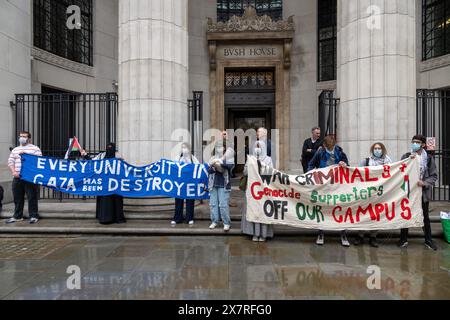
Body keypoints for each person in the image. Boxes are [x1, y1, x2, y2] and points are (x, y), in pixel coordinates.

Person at [307, 135, 350, 247]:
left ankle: (343, 233)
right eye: (329, 148)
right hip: (324, 186)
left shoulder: (340, 152)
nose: (331, 150)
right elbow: (310, 165)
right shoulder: (320, 153)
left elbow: (348, 167)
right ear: (324, 146)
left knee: (341, 208)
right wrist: (313, 173)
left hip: (338, 186)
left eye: (332, 147)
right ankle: (321, 233)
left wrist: (344, 164)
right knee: (322, 208)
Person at [398, 135, 438, 251]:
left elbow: (434, 176)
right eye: (413, 142)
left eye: (417, 142)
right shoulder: (406, 156)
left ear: (423, 145)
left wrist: (424, 183)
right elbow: (400, 172)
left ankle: (428, 240)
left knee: (425, 216)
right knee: (406, 214)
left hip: (422, 192)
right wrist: (408, 162)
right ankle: (403, 239)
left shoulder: (429, 158)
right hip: (409, 192)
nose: (414, 144)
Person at [353, 142, 393, 248]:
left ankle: (373, 236)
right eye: (375, 148)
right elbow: (356, 173)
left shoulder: (389, 163)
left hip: (380, 194)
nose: (377, 150)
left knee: (376, 215)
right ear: (372, 150)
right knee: (363, 214)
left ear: (383, 149)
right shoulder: (366, 161)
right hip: (367, 193)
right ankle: (360, 235)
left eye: (379, 148)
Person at [6, 131, 42, 224]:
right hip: (17, 177)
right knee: (17, 197)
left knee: (32, 197)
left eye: (24, 136)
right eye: (21, 136)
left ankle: (33, 215)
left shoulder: (35, 149)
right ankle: (17, 216)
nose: (22, 138)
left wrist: (27, 155)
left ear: (29, 138)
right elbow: (10, 162)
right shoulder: (15, 149)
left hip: (29, 177)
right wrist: (14, 172)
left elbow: (39, 162)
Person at [241, 140, 274, 242]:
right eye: (256, 146)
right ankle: (254, 233)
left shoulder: (268, 159)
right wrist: (253, 164)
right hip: (252, 190)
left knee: (263, 211)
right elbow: (245, 172)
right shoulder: (250, 159)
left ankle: (263, 234)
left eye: (259, 147)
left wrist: (261, 165)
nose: (257, 149)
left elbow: (270, 173)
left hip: (264, 190)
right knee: (253, 210)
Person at [95, 143, 126, 225]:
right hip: (109, 186)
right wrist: (84, 155)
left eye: (110, 149)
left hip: (113, 186)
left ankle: (107, 218)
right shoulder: (101, 159)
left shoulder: (118, 161)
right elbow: (91, 164)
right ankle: (109, 218)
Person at [208, 140, 234, 232]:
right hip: (213, 184)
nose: (219, 148)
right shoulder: (212, 157)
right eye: (217, 146)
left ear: (224, 147)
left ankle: (226, 223)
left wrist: (221, 162)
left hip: (223, 184)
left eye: (221, 146)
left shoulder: (228, 157)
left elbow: (230, 167)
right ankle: (214, 221)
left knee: (223, 205)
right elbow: (209, 170)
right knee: (213, 204)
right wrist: (214, 165)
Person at [171, 142, 199, 226]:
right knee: (178, 201)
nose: (184, 149)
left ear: (189, 149)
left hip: (189, 184)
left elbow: (198, 168)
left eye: (185, 147)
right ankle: (177, 218)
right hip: (180, 184)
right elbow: (173, 167)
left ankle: (189, 218)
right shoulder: (178, 158)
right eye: (182, 147)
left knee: (190, 201)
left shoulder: (193, 158)